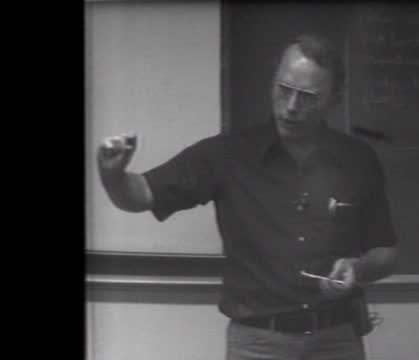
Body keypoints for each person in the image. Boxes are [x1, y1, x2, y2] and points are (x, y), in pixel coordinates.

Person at [97, 33, 398, 360]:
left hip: (337, 340)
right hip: (256, 345)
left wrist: (359, 269)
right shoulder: (227, 154)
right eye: (284, 90)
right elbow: (139, 195)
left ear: (335, 98)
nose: (292, 107)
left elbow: (385, 252)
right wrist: (112, 175)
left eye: (308, 96)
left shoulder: (358, 159)